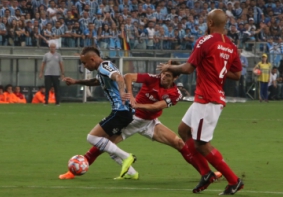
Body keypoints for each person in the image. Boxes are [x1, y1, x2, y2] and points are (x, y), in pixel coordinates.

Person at [59, 65, 223, 181]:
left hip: (150, 122)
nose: (163, 77)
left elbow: (158, 106)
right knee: (105, 143)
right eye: (164, 74)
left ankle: (206, 173)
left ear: (175, 78)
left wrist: (139, 104)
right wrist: (130, 95)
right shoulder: (153, 78)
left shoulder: (175, 93)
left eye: (168, 76)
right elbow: (129, 76)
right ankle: (73, 171)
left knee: (179, 143)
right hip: (133, 119)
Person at [158, 9, 244, 195]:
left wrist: (169, 67)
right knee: (183, 130)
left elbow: (188, 68)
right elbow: (237, 74)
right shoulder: (231, 46)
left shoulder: (205, 41)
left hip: (208, 99)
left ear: (210, 23)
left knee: (202, 144)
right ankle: (206, 173)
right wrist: (215, 67)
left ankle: (234, 180)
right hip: (205, 97)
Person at [63, 46, 136, 178]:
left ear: (92, 59)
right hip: (124, 112)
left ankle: (126, 156)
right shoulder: (102, 70)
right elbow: (97, 81)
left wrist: (121, 92)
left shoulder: (104, 66)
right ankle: (131, 173)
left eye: (85, 63)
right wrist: (76, 81)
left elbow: (119, 77)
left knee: (92, 137)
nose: (84, 66)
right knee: (107, 145)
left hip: (121, 111)